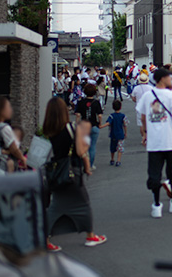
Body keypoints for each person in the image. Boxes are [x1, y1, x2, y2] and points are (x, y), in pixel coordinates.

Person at [42, 98, 106, 251]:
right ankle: (90, 236)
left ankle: (44, 239)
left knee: (55, 207)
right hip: (72, 171)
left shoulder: (49, 131)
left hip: (56, 172)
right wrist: (88, 167)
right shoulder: (71, 128)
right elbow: (81, 152)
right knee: (83, 203)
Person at [136, 68, 172, 218]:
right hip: (170, 141)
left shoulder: (147, 96)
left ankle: (156, 204)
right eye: (168, 77)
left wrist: (145, 133)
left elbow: (144, 116)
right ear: (162, 79)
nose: (171, 79)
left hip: (154, 142)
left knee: (154, 173)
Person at [75, 84, 103, 170]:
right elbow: (100, 115)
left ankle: (84, 164)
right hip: (94, 126)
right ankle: (90, 165)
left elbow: (78, 114)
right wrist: (100, 124)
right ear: (94, 92)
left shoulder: (81, 102)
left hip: (83, 127)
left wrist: (77, 124)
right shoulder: (96, 102)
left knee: (84, 146)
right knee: (92, 146)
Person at [101, 99, 128, 167]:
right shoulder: (123, 116)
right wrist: (125, 133)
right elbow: (125, 125)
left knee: (112, 148)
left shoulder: (112, 116)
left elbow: (108, 123)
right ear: (120, 107)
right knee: (120, 148)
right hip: (120, 134)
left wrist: (101, 126)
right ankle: (118, 160)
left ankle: (112, 159)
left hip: (113, 134)